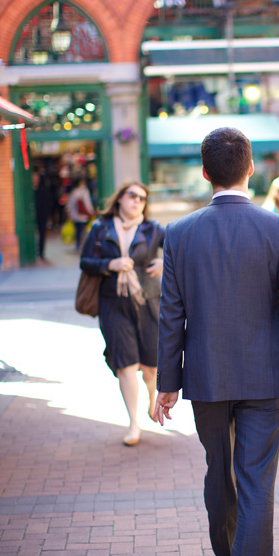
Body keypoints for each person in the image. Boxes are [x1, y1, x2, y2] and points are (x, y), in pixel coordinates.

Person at [152, 127, 279, 556]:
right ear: (251, 167)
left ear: (206, 171)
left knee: (220, 469)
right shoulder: (278, 228)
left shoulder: (180, 232)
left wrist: (166, 382)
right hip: (264, 377)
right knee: (256, 482)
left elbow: (172, 315)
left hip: (207, 377)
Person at [80, 182, 165, 446]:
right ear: (119, 199)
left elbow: (179, 251)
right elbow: (85, 262)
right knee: (125, 365)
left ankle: (153, 399)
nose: (137, 201)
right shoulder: (100, 229)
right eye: (132, 196)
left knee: (150, 366)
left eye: (142, 198)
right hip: (113, 304)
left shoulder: (153, 229)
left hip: (148, 302)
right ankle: (133, 424)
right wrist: (110, 264)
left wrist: (165, 262)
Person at [67, 177, 94, 250]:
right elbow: (88, 203)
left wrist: (70, 214)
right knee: (83, 230)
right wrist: (91, 211)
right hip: (83, 216)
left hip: (75, 216)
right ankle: (82, 244)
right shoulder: (85, 191)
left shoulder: (74, 192)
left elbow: (70, 204)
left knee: (77, 230)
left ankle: (78, 244)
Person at [32, 169, 52, 262]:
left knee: (42, 232)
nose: (35, 179)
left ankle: (41, 252)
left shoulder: (43, 189)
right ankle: (33, 250)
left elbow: (48, 202)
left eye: (37, 177)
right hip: (32, 215)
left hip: (42, 214)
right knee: (33, 232)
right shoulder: (29, 191)